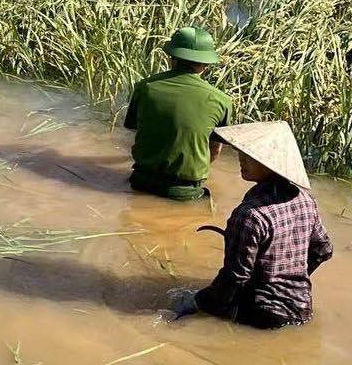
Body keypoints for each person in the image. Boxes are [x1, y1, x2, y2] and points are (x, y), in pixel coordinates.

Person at [191, 121, 332, 328]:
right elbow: (324, 250)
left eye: (250, 156)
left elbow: (235, 277)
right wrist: (291, 278)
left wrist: (198, 305)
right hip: (302, 308)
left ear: (272, 162)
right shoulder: (305, 200)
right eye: (242, 153)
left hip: (261, 314)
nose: (241, 159)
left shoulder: (250, 215)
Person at [124, 26, 230, 201]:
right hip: (185, 192)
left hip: (141, 182)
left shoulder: (145, 87)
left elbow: (136, 130)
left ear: (171, 58)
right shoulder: (221, 100)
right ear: (205, 65)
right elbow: (215, 151)